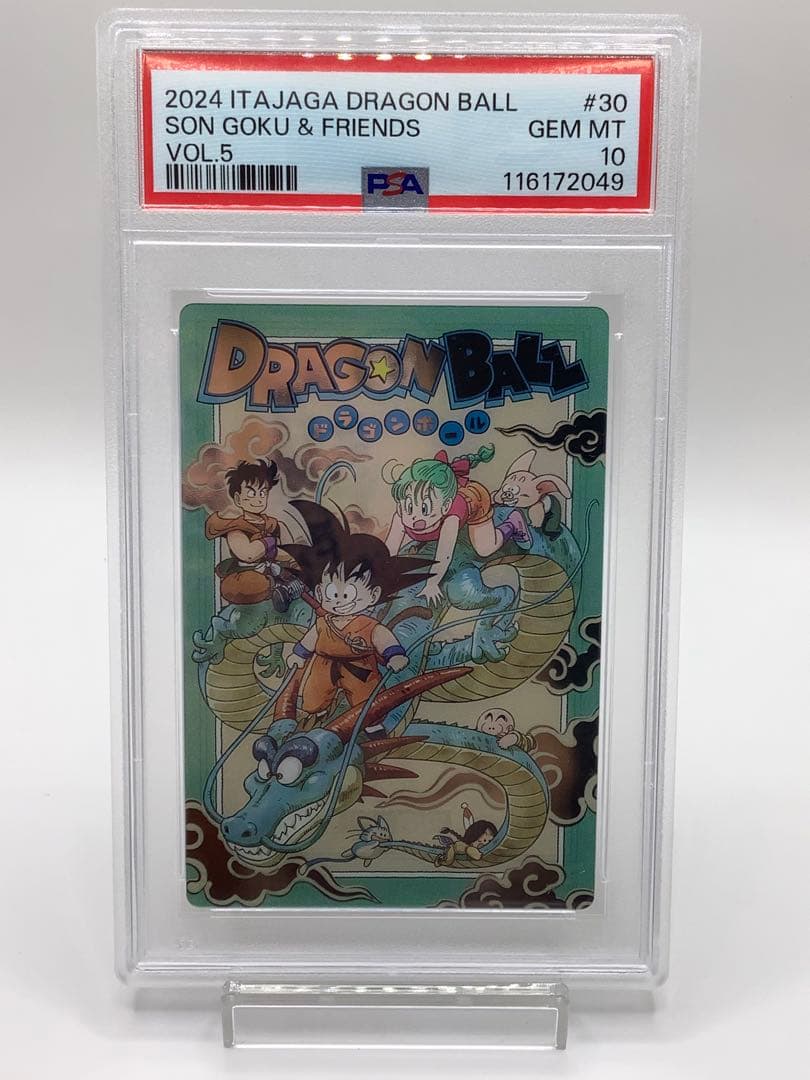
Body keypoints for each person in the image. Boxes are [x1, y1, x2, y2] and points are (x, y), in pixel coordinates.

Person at [282, 500, 434, 724]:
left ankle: (371, 727)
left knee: (367, 704)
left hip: (360, 667)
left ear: (373, 596)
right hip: (322, 665)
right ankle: (318, 715)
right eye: (332, 592)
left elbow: (382, 637)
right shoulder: (323, 623)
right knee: (313, 699)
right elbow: (310, 639)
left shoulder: (368, 625)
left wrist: (394, 654)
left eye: (348, 593)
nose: (339, 600)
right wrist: (299, 653)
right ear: (320, 592)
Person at [385, 446, 529, 605]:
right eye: (410, 507)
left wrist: (432, 584)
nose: (415, 518)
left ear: (446, 506)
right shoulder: (401, 516)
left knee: (485, 548)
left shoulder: (451, 518)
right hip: (447, 494)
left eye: (425, 509)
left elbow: (444, 555)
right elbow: (389, 550)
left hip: (474, 500)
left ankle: (513, 523)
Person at [204, 459, 286, 605]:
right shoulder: (236, 526)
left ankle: (280, 589)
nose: (258, 499)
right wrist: (269, 542)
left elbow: (279, 552)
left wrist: (294, 559)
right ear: (238, 499)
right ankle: (274, 587)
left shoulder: (270, 524)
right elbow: (248, 554)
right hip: (245, 573)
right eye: (251, 493)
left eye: (263, 493)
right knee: (239, 586)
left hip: (271, 569)